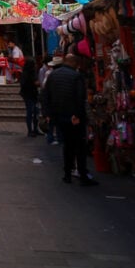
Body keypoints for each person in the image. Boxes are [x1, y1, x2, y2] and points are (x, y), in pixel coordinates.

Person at [43, 52, 98, 186]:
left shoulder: (53, 75)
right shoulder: (76, 76)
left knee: (67, 145)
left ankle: (67, 173)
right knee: (79, 146)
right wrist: (78, 115)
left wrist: (48, 114)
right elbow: (80, 98)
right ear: (74, 63)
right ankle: (82, 174)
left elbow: (45, 96)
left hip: (59, 116)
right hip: (74, 117)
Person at [19, 58, 41, 137]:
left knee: (31, 112)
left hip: (27, 94)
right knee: (34, 111)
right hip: (31, 94)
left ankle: (32, 130)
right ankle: (33, 129)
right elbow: (36, 83)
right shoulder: (32, 73)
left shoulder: (24, 73)